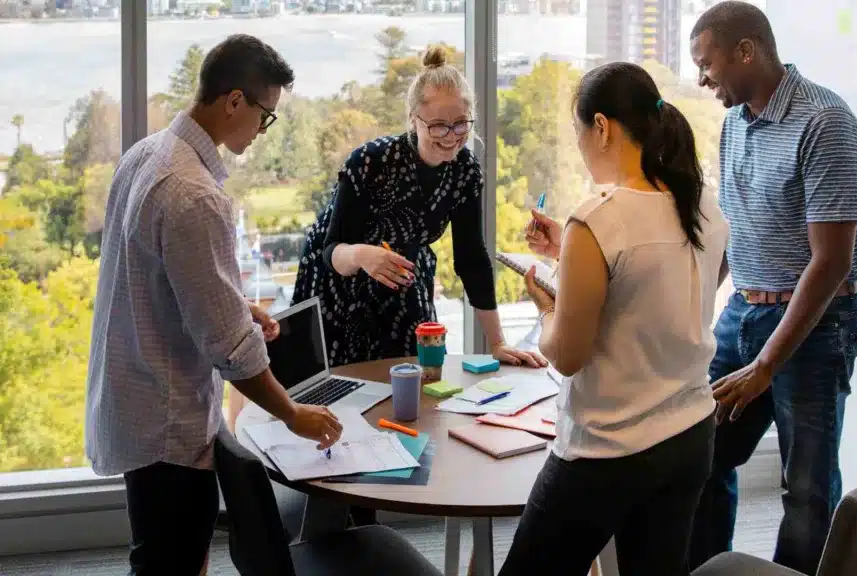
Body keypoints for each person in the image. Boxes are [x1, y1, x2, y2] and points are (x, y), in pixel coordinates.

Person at [85, 34, 343, 576]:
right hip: (169, 419)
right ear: (233, 102)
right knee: (170, 563)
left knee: (160, 553)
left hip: (134, 397)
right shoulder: (194, 194)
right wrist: (292, 413)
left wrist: (235, 305)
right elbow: (232, 352)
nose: (262, 130)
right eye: (265, 115)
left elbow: (155, 279)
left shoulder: (147, 155)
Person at [498, 62, 727, 576]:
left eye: (579, 132)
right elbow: (660, 298)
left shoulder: (598, 218)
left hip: (609, 449)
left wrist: (547, 305)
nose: (580, 146)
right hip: (689, 434)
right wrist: (571, 257)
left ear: (600, 126)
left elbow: (568, 355)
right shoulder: (704, 206)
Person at [686, 3, 857, 574]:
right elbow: (735, 229)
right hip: (744, 313)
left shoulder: (825, 122)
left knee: (806, 491)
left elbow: (832, 261)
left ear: (746, 51)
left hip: (818, 326)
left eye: (707, 64)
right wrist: (689, 308)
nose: (702, 79)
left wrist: (767, 364)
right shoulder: (734, 122)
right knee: (699, 455)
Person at [290, 46, 544, 370]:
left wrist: (497, 343)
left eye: (461, 124)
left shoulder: (465, 171)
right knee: (345, 386)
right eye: (438, 125)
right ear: (414, 119)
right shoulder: (370, 162)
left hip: (403, 273)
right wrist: (362, 255)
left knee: (417, 373)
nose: (451, 136)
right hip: (339, 278)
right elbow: (331, 249)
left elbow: (472, 259)